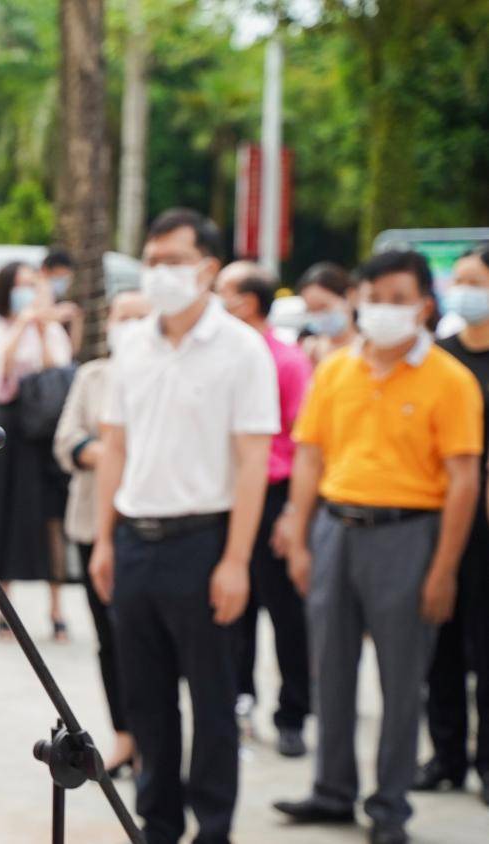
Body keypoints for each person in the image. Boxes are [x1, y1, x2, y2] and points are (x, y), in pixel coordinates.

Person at [272, 250, 483, 844]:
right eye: (373, 296)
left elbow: (464, 478)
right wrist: (300, 529)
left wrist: (444, 568)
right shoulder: (336, 370)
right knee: (330, 670)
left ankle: (389, 807)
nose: (383, 309)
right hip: (336, 530)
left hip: (409, 535)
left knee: (401, 679)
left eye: (398, 298)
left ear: (423, 304)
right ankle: (332, 790)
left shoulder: (451, 380)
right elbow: (310, 454)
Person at [92, 208, 278, 844]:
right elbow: (114, 446)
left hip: (204, 541)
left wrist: (236, 560)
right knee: (146, 701)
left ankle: (214, 827)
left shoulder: (242, 349)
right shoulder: (133, 342)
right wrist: (103, 538)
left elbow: (254, 461)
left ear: (208, 268)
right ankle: (159, 823)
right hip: (134, 540)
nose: (160, 272)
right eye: (153, 259)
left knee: (212, 700)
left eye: (174, 260)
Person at [216, 261, 313, 758]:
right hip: (226, 493)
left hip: (274, 494)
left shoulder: (288, 359)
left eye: (224, 291)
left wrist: (293, 512)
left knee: (286, 612)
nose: (216, 299)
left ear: (249, 301)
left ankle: (293, 713)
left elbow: (303, 442)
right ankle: (239, 702)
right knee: (235, 607)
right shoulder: (219, 355)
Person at [52, 289, 151, 776]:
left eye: (141, 317)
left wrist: (111, 451)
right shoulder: (93, 376)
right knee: (110, 639)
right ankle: (125, 737)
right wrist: (112, 454)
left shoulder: (165, 374)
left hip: (152, 528)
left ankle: (156, 740)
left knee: (151, 642)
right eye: (123, 317)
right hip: (95, 523)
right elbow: (67, 441)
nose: (130, 326)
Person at [413, 244, 489, 803]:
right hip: (437, 518)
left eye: (474, 281)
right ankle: (445, 755)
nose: (461, 291)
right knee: (438, 639)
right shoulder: (439, 357)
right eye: (457, 280)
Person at [0, 262, 72, 640]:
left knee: (52, 519)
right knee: (6, 513)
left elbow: (57, 371)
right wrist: (21, 326)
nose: (27, 291)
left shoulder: (53, 330)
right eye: (20, 285)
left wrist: (44, 329)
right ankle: (5, 608)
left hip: (45, 431)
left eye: (33, 285)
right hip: (10, 429)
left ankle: (57, 609)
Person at [297, 261, 358, 365]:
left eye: (323, 307)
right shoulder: (309, 351)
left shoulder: (368, 348)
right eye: (311, 310)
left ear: (349, 296)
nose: (318, 316)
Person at [43, 249, 85, 357]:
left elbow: (73, 349)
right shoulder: (41, 289)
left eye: (66, 277)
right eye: (60, 276)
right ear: (46, 270)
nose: (65, 281)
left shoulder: (59, 300)